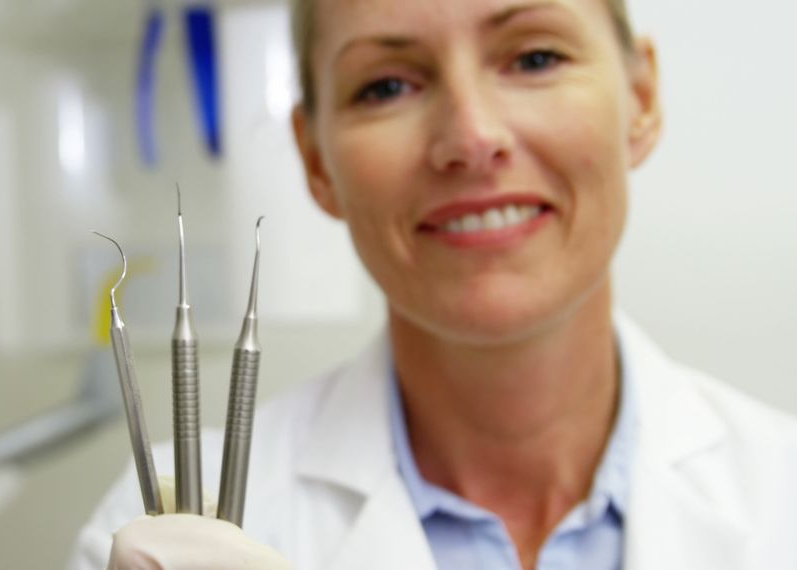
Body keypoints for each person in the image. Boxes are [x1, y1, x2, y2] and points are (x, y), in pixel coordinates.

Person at [71, 0, 797, 567]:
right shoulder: (158, 534)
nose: (472, 137)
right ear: (316, 160)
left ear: (640, 98)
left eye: (535, 57)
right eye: (386, 85)